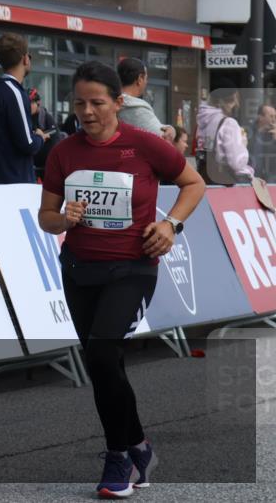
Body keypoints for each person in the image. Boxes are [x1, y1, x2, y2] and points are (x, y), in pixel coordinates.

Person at [38, 61, 205, 498]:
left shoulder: (145, 146)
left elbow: (194, 183)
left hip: (132, 268)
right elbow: (46, 218)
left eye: (97, 103)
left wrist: (171, 226)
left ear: (119, 102)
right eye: (79, 103)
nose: (87, 112)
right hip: (79, 269)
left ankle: (118, 457)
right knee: (105, 364)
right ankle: (138, 445)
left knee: (100, 355)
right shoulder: (63, 152)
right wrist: (62, 219)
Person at [0, 33, 47, 184]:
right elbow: (28, 143)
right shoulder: (15, 93)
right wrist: (40, 137)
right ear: (25, 58)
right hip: (15, 183)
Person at [195, 87, 253, 185]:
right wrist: (243, 143)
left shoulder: (203, 119)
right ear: (225, 102)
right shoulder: (229, 123)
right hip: (224, 182)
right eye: (235, 100)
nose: (238, 105)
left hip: (205, 177)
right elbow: (236, 162)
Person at [117, 57, 175, 140]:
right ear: (140, 79)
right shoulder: (137, 109)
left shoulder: (111, 102)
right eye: (146, 78)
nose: (146, 82)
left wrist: (169, 128)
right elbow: (161, 138)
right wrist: (171, 131)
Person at [248, 104, 276, 181]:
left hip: (271, 178)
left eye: (275, 116)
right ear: (260, 117)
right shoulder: (249, 130)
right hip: (251, 176)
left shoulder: (273, 133)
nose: (274, 120)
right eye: (271, 116)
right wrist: (259, 132)